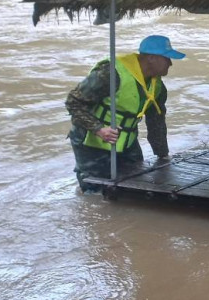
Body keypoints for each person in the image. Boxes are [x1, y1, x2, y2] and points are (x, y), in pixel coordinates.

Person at [66, 35, 185, 191]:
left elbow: (156, 123)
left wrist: (163, 156)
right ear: (151, 58)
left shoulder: (157, 87)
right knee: (95, 189)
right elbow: (73, 102)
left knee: (136, 183)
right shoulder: (110, 73)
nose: (170, 63)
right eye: (167, 58)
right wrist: (98, 129)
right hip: (91, 139)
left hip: (126, 140)